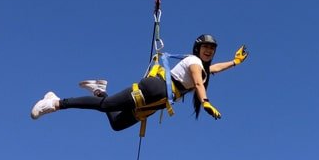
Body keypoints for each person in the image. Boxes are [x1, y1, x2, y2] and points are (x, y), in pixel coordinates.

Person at [30, 34, 248, 131]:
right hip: (155, 89)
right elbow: (200, 83)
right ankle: (56, 102)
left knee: (116, 123)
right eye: (206, 48)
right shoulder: (193, 62)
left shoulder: (203, 68)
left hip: (158, 101)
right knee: (107, 108)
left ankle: (99, 90)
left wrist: (235, 63)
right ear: (197, 49)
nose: (209, 51)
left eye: (212, 49)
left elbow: (213, 70)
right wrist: (206, 101)